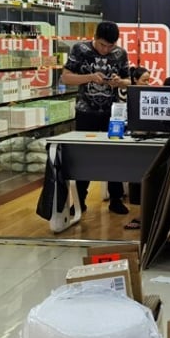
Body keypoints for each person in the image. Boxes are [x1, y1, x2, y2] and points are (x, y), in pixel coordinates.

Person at [60, 21, 131, 215]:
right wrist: (89, 77)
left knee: (115, 155)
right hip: (86, 111)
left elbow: (129, 80)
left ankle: (116, 198)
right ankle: (80, 200)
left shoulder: (120, 54)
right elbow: (65, 78)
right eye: (102, 45)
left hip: (113, 113)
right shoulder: (80, 50)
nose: (106, 50)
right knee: (84, 157)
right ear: (94, 37)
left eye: (110, 46)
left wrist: (119, 82)